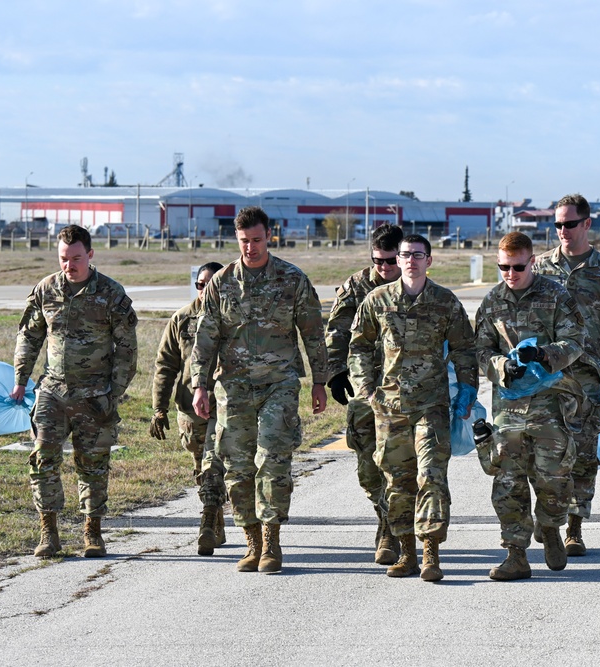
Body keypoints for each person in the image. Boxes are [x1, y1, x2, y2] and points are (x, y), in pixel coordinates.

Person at [191, 206, 328, 574]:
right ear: (235, 240)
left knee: (272, 460)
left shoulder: (291, 279)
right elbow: (205, 339)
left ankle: (271, 542)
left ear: (270, 235)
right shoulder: (221, 282)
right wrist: (199, 386)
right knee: (237, 466)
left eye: (256, 239)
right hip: (232, 387)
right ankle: (251, 540)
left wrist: (319, 381)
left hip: (278, 383)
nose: (250, 247)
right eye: (243, 241)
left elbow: (313, 333)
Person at [348, 234, 476, 582]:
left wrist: (467, 390)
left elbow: (465, 348)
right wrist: (366, 390)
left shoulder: (445, 302)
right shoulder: (378, 300)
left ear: (429, 260)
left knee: (432, 476)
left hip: (431, 406)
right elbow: (358, 346)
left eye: (418, 255)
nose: (410, 261)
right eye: (405, 255)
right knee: (397, 481)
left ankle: (431, 552)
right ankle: (406, 552)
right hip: (389, 408)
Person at [12, 224, 138, 559]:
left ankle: (92, 533)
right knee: (42, 459)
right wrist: (21, 378)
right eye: (64, 259)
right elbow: (30, 336)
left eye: (76, 258)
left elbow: (127, 350)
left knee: (94, 464)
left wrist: (114, 394)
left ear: (90, 255)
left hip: (95, 394)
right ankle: (48, 533)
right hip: (52, 391)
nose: (70, 265)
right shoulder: (46, 289)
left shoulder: (110, 293)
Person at [475, 231, 587, 581]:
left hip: (549, 402)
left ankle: (551, 526)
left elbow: (575, 341)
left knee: (553, 477)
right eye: (503, 267)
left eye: (517, 266)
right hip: (509, 407)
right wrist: (501, 366)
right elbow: (479, 349)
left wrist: (543, 354)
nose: (510, 273)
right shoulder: (492, 301)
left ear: (532, 261)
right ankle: (515, 553)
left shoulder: (555, 297)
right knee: (507, 479)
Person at [534, 193, 600, 556]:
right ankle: (547, 517)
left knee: (584, 455)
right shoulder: (539, 268)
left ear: (587, 224)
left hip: (586, 379)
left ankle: (574, 528)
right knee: (542, 452)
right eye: (557, 224)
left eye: (569, 224)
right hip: (544, 377)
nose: (562, 231)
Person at [324, 224, 405, 565]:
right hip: (366, 389)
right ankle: (384, 515)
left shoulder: (416, 286)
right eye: (378, 261)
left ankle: (395, 530)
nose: (384, 269)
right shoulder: (356, 286)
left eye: (390, 261)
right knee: (368, 463)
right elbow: (336, 330)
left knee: (403, 464)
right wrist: (334, 371)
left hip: (407, 391)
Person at [150, 261, 228, 556]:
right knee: (201, 467)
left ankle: (207, 521)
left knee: (213, 463)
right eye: (200, 284)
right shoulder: (181, 319)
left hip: (224, 405)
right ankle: (216, 516)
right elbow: (165, 366)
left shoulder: (231, 317)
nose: (204, 289)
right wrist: (159, 408)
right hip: (190, 408)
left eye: (210, 283)